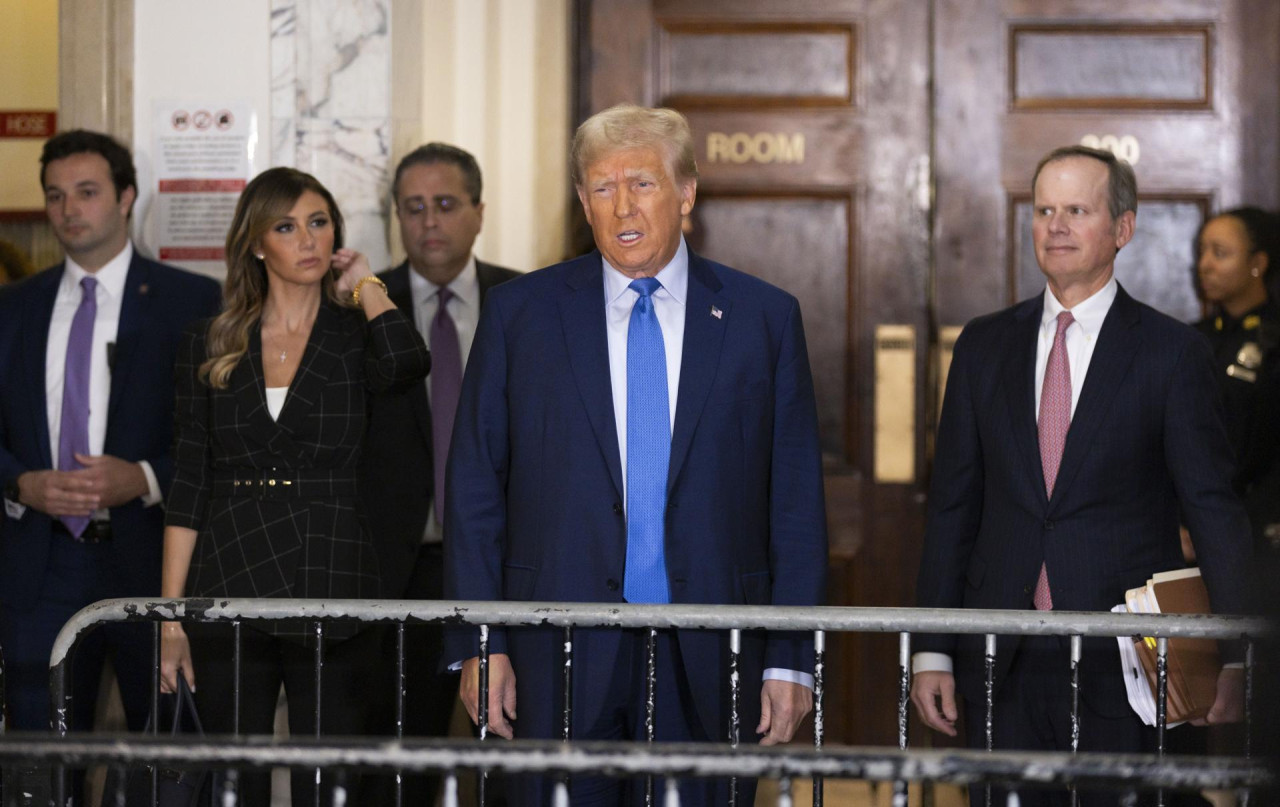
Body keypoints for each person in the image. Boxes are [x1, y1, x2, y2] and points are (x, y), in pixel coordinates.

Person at [443, 104, 828, 806]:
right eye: (600, 185)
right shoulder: (518, 315)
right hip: (551, 654)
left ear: (686, 193)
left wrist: (791, 657)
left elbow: (796, 504)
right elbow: (475, 489)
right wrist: (481, 638)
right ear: (582, 201)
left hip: (711, 654)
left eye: (642, 183)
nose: (621, 204)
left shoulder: (762, 320)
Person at [910, 145, 1253, 806]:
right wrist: (932, 650)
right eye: (1044, 210)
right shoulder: (983, 346)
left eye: (1076, 210)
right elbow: (953, 508)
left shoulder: (1172, 352)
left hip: (1125, 667)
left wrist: (1235, 652)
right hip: (998, 661)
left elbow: (1212, 508)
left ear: (1121, 229)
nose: (1056, 226)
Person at [158, 166, 429, 806]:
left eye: (318, 223)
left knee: (325, 779)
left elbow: (407, 362)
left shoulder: (357, 330)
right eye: (286, 227)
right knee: (233, 777)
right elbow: (190, 482)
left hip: (333, 571)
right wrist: (171, 616)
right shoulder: (212, 339)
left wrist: (365, 283)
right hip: (229, 571)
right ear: (257, 243)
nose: (306, 239)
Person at [0, 130, 221, 744]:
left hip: (151, 561)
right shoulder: (13, 307)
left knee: (167, 752)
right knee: (41, 758)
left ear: (127, 196)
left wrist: (144, 478)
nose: (69, 209)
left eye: (87, 192)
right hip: (39, 567)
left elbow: (221, 438)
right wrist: (21, 481)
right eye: (55, 195)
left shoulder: (192, 301)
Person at [360, 142, 519, 803]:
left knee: (516, 760)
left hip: (510, 568)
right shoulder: (364, 309)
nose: (430, 222)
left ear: (479, 212)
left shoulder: (529, 300)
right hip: (402, 571)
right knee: (401, 767)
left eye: (447, 205)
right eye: (414, 207)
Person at [1193, 207, 1280, 557]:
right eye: (1202, 252)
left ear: (1257, 263)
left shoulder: (1274, 341)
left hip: (1259, 533)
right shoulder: (1191, 339)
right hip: (1194, 531)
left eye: (1220, 253)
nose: (1205, 264)